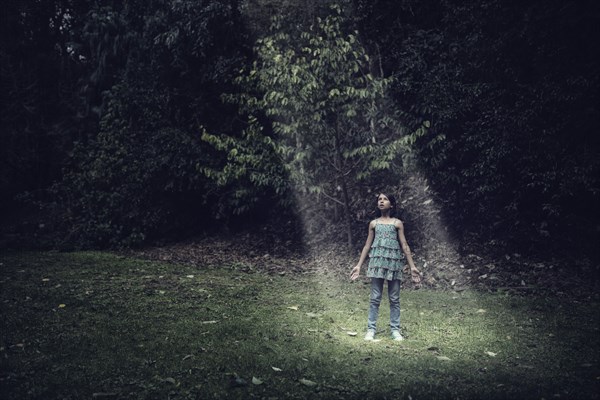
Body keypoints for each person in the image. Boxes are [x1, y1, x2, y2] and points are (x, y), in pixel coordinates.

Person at [350, 192, 421, 341]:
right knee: (375, 297)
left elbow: (404, 245)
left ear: (392, 204)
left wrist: (412, 267)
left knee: (394, 298)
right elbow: (367, 246)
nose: (381, 201)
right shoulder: (373, 224)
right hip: (377, 263)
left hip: (394, 263)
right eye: (379, 199)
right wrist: (358, 266)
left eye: (385, 199)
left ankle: (395, 330)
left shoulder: (397, 223)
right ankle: (371, 329)